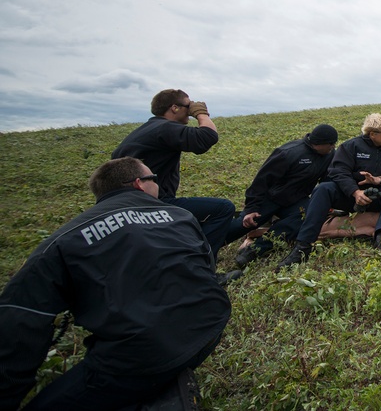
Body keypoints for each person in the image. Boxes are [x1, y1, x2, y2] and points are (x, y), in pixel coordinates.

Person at [0, 157, 231, 411]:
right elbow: (206, 268)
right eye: (154, 179)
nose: (159, 186)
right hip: (212, 325)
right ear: (139, 184)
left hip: (145, 354)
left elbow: (20, 320)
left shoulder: (62, 241)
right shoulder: (181, 215)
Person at [112, 89, 234, 259]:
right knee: (222, 209)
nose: (190, 110)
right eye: (189, 106)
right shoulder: (164, 128)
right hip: (151, 204)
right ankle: (201, 264)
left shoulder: (146, 130)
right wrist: (201, 114)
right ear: (175, 108)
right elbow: (207, 137)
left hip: (127, 205)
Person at [277, 113, 381, 268]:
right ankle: (303, 247)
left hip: (377, 194)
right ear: (372, 134)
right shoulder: (351, 146)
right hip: (351, 195)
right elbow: (338, 171)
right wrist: (355, 192)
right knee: (323, 189)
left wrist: (378, 180)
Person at [224, 124, 338, 268]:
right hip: (270, 198)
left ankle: (254, 250)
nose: (333, 147)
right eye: (331, 144)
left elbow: (326, 181)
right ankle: (206, 244)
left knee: (305, 217)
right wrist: (252, 206)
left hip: (295, 200)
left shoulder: (329, 155)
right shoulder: (289, 153)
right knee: (243, 225)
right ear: (319, 143)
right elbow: (261, 180)